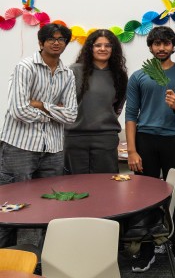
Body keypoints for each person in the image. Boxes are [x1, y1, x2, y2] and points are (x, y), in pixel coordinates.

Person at [0, 24, 77, 248]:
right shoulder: (25, 67)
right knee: (11, 203)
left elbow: (71, 115)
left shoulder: (67, 74)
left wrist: (41, 105)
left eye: (61, 39)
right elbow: (18, 110)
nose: (56, 42)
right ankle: (5, 257)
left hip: (53, 148)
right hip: (19, 146)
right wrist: (53, 113)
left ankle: (42, 257)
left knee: (49, 204)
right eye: (51, 39)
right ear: (41, 42)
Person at [125, 26, 175, 271]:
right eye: (157, 44)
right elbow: (130, 115)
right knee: (145, 197)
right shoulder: (138, 77)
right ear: (150, 47)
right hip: (145, 140)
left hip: (174, 140)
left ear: (173, 46)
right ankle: (147, 249)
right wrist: (132, 150)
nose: (162, 48)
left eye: (166, 43)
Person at [65, 29, 128, 174]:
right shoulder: (73, 71)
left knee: (105, 183)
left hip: (106, 138)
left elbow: (117, 106)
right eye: (98, 45)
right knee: (75, 183)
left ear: (113, 49)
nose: (103, 49)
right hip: (75, 137)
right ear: (90, 48)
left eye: (108, 45)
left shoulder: (119, 75)